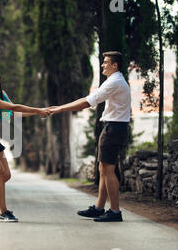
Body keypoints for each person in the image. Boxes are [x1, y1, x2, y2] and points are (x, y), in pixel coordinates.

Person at [48, 51, 131, 222]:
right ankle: (99, 208)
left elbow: (88, 101)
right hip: (114, 127)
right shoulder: (116, 80)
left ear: (115, 65)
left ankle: (115, 212)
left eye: (106, 62)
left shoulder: (114, 81)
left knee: (108, 171)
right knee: (104, 169)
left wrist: (59, 108)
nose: (102, 65)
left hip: (114, 129)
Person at [0, 66, 50, 222]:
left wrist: (40, 112)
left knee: (6, 175)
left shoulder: (1, 94)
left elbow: (14, 113)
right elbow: (13, 107)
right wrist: (39, 110)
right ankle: (3, 212)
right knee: (1, 176)